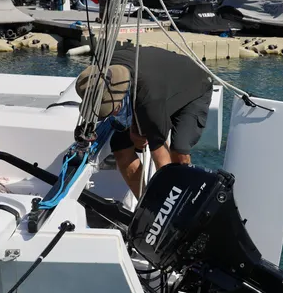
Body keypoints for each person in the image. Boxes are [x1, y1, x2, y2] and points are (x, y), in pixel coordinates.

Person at [75, 46, 213, 196]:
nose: (109, 114)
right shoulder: (105, 69)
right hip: (159, 85)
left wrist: (167, 204)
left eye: (109, 109)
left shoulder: (149, 101)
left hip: (194, 86)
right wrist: (135, 125)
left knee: (178, 151)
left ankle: (179, 198)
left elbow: (162, 161)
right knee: (119, 145)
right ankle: (145, 202)